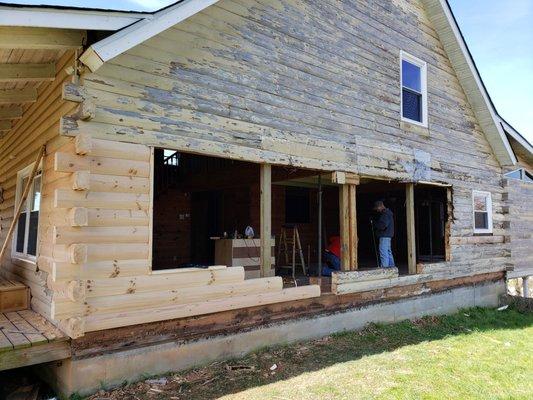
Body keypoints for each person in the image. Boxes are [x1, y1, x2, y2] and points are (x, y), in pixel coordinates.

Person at [373, 200, 395, 268]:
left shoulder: (386, 214)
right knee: (388, 252)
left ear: (381, 206)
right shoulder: (388, 213)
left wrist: (375, 224)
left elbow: (383, 225)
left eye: (377, 208)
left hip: (384, 236)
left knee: (383, 253)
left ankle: (385, 269)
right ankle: (392, 268)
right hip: (388, 236)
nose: (377, 210)